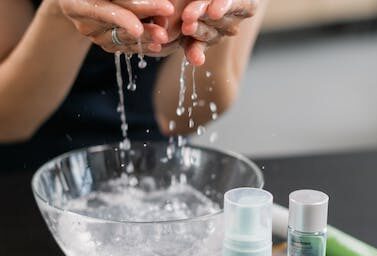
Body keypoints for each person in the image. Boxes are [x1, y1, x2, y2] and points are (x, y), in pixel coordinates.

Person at [0, 0, 267, 171]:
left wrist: (214, 23)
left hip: (155, 162)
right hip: (24, 170)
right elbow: (8, 124)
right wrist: (62, 12)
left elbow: (181, 116)